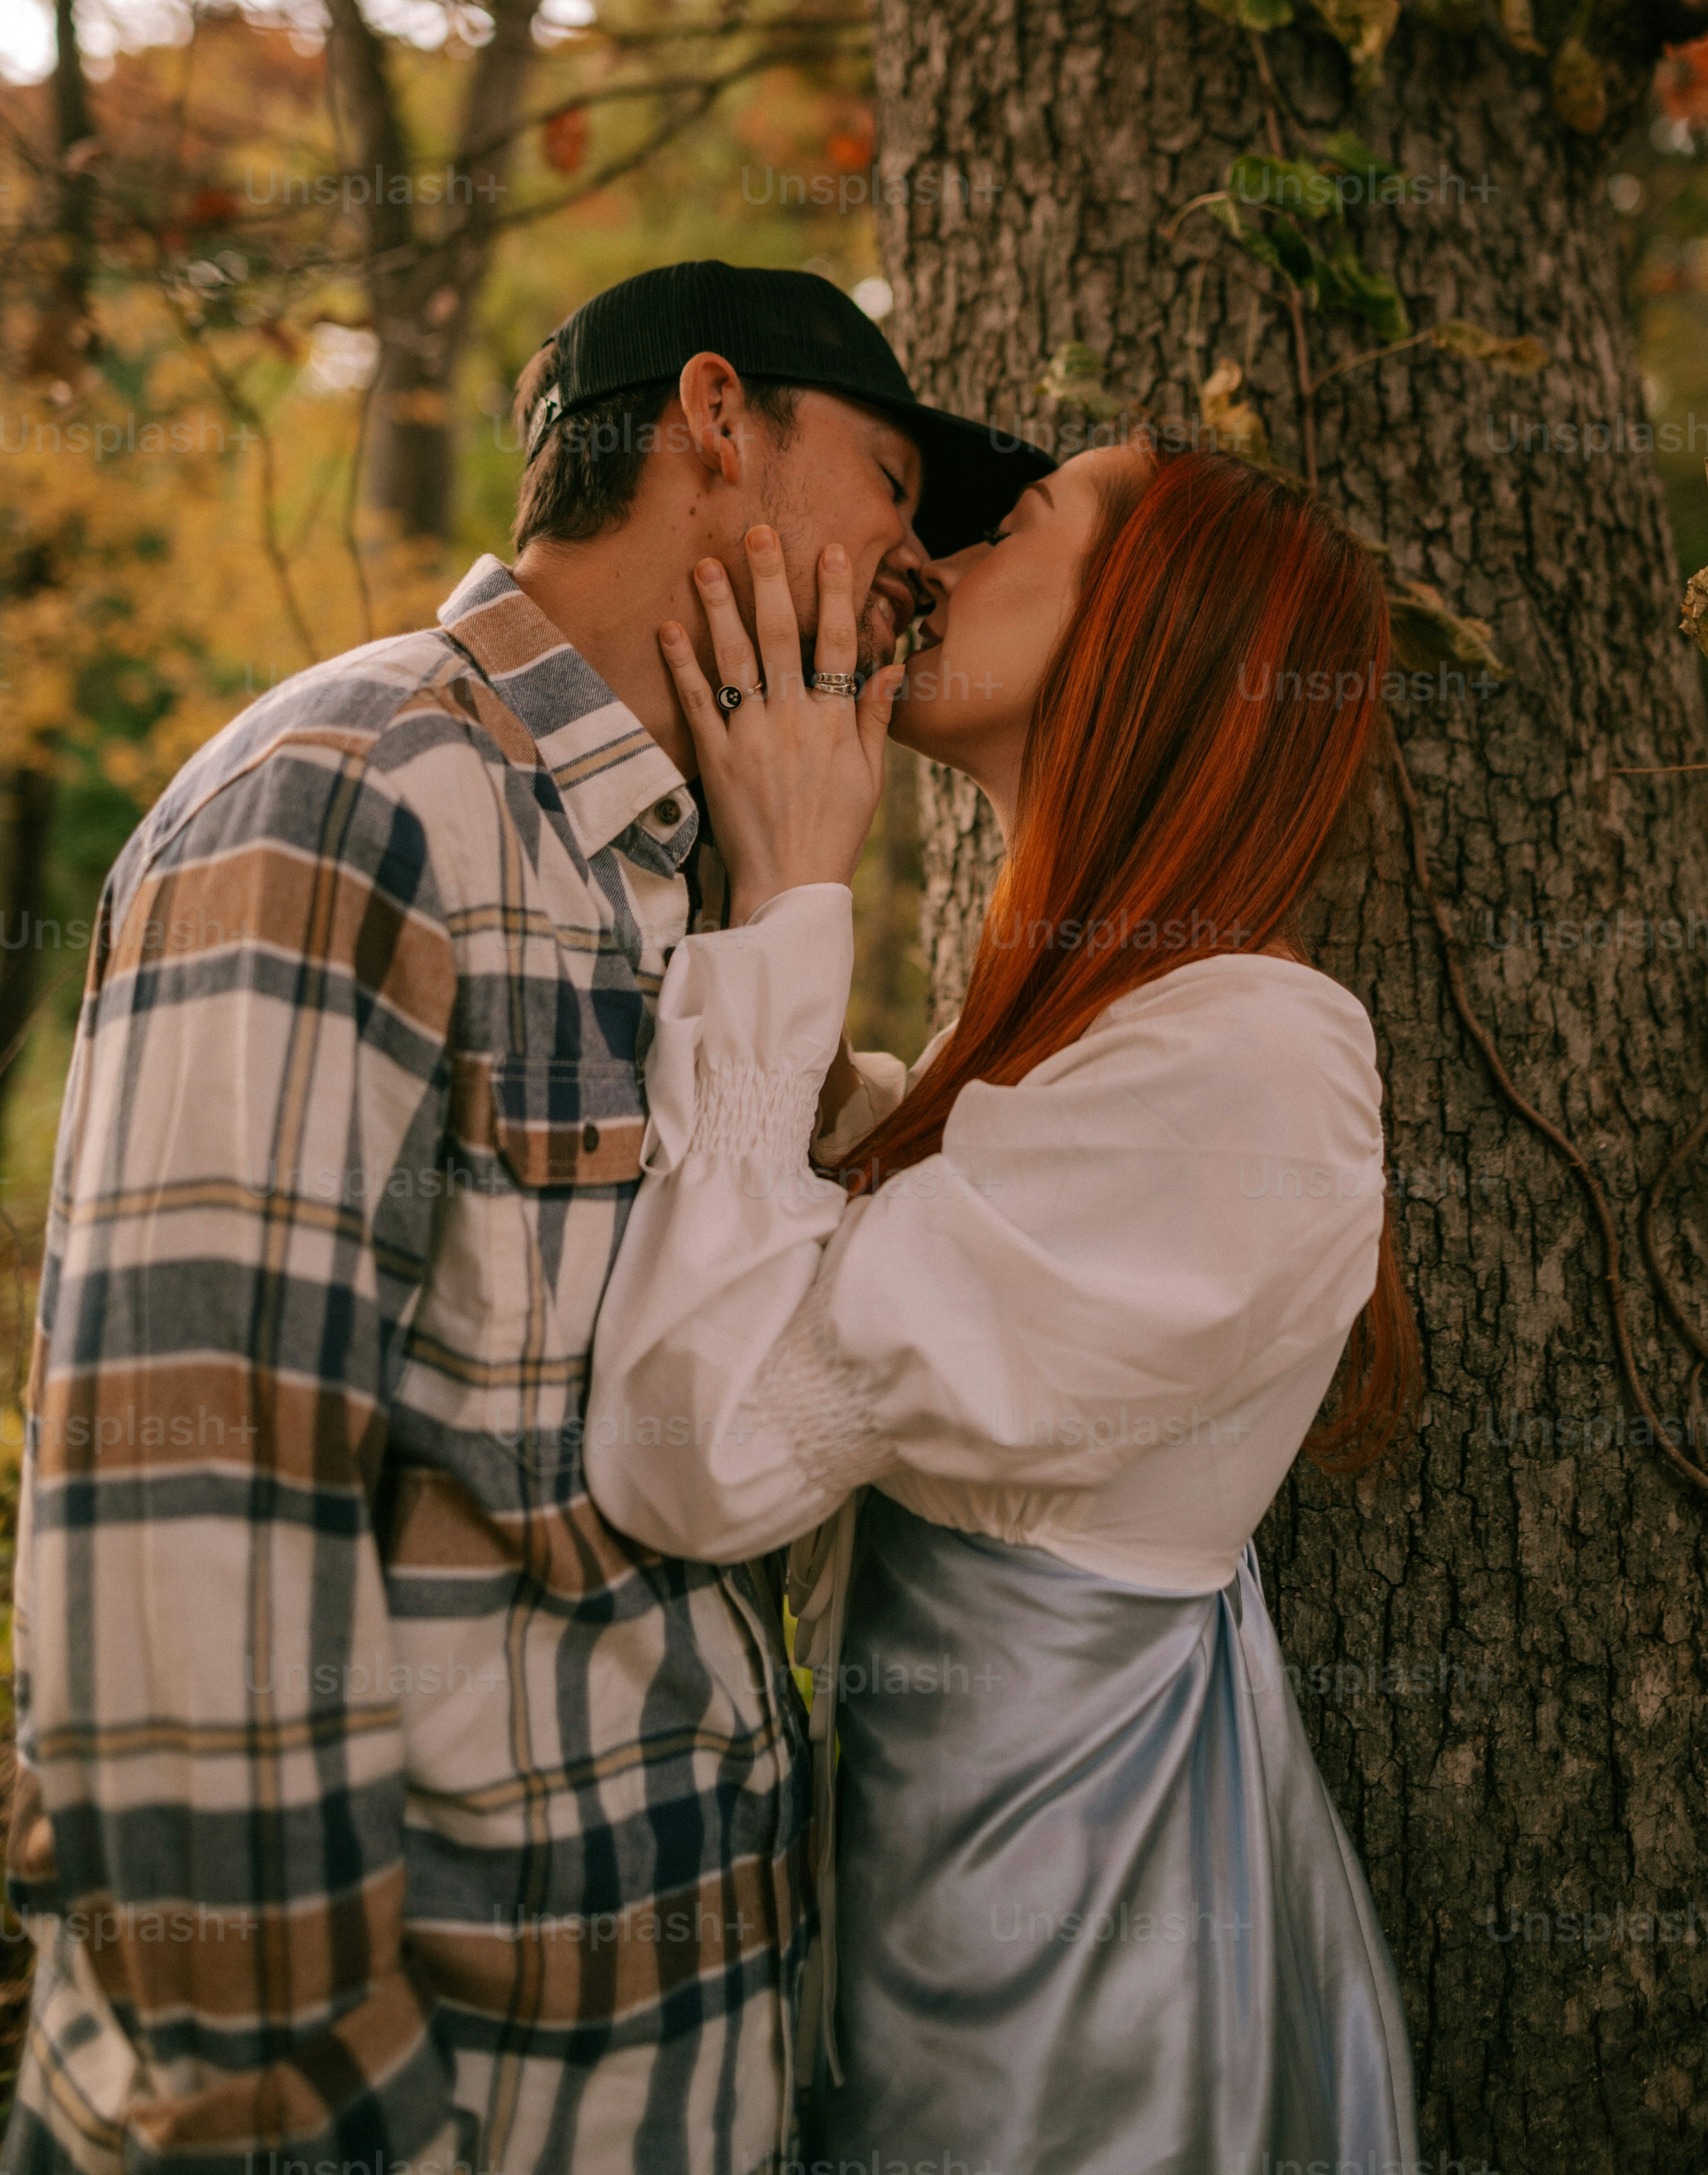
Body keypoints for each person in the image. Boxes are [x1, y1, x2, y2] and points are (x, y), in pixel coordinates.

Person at [0, 261, 1051, 2175]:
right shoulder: (357, 798)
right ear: (717, 422)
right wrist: (298, 2116)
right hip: (446, 2111)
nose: (920, 570)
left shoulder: (678, 873)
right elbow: (184, 1531)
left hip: (680, 2080)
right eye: (898, 488)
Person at [582, 435, 1424, 2175]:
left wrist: (802, 894)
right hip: (948, 1930)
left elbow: (694, 1460)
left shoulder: (1250, 1059)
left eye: (1020, 522)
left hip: (1065, 1993)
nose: (942, 558)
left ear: (1153, 623)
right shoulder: (1089, 1043)